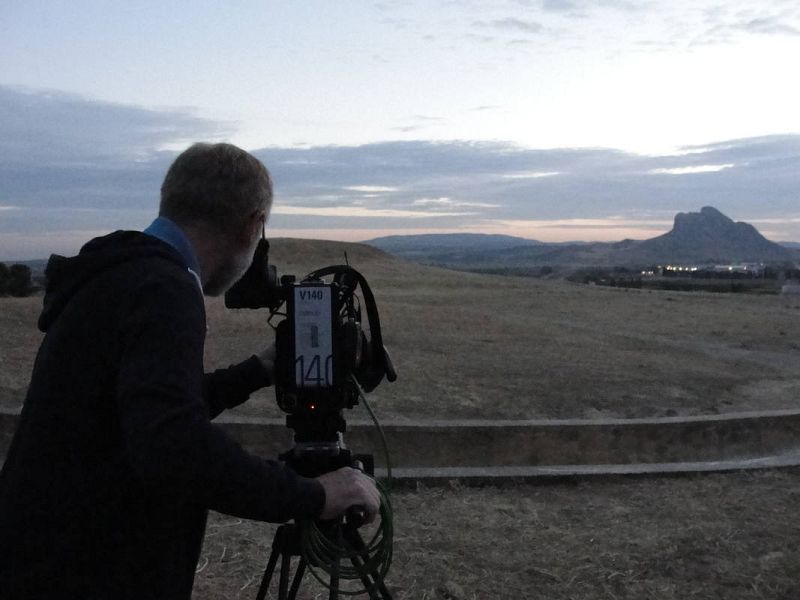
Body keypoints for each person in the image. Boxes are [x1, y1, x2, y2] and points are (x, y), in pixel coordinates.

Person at [0, 143, 380, 599]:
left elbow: (142, 405)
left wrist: (257, 370)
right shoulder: (165, 287)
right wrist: (315, 495)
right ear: (253, 226)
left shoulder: (120, 272)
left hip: (44, 553)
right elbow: (172, 445)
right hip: (88, 570)